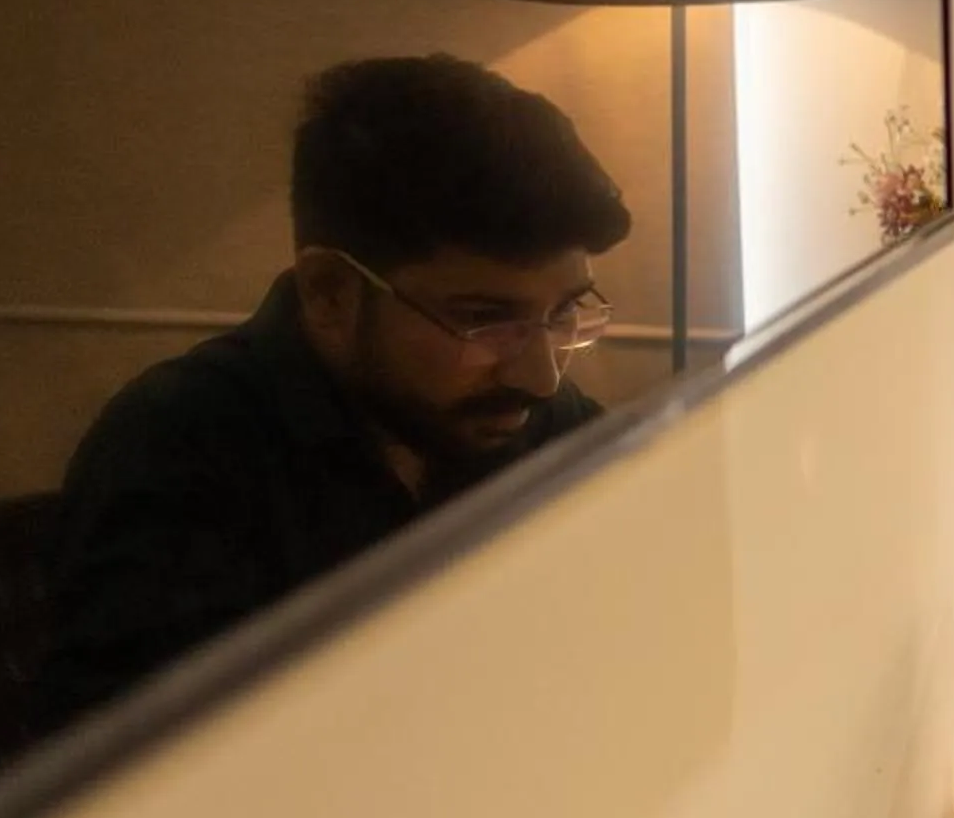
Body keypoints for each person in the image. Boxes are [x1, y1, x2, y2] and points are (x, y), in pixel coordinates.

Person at [37, 55, 632, 727]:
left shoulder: (541, 420)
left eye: (563, 313)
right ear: (330, 291)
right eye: (483, 319)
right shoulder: (180, 446)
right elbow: (135, 785)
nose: (541, 376)